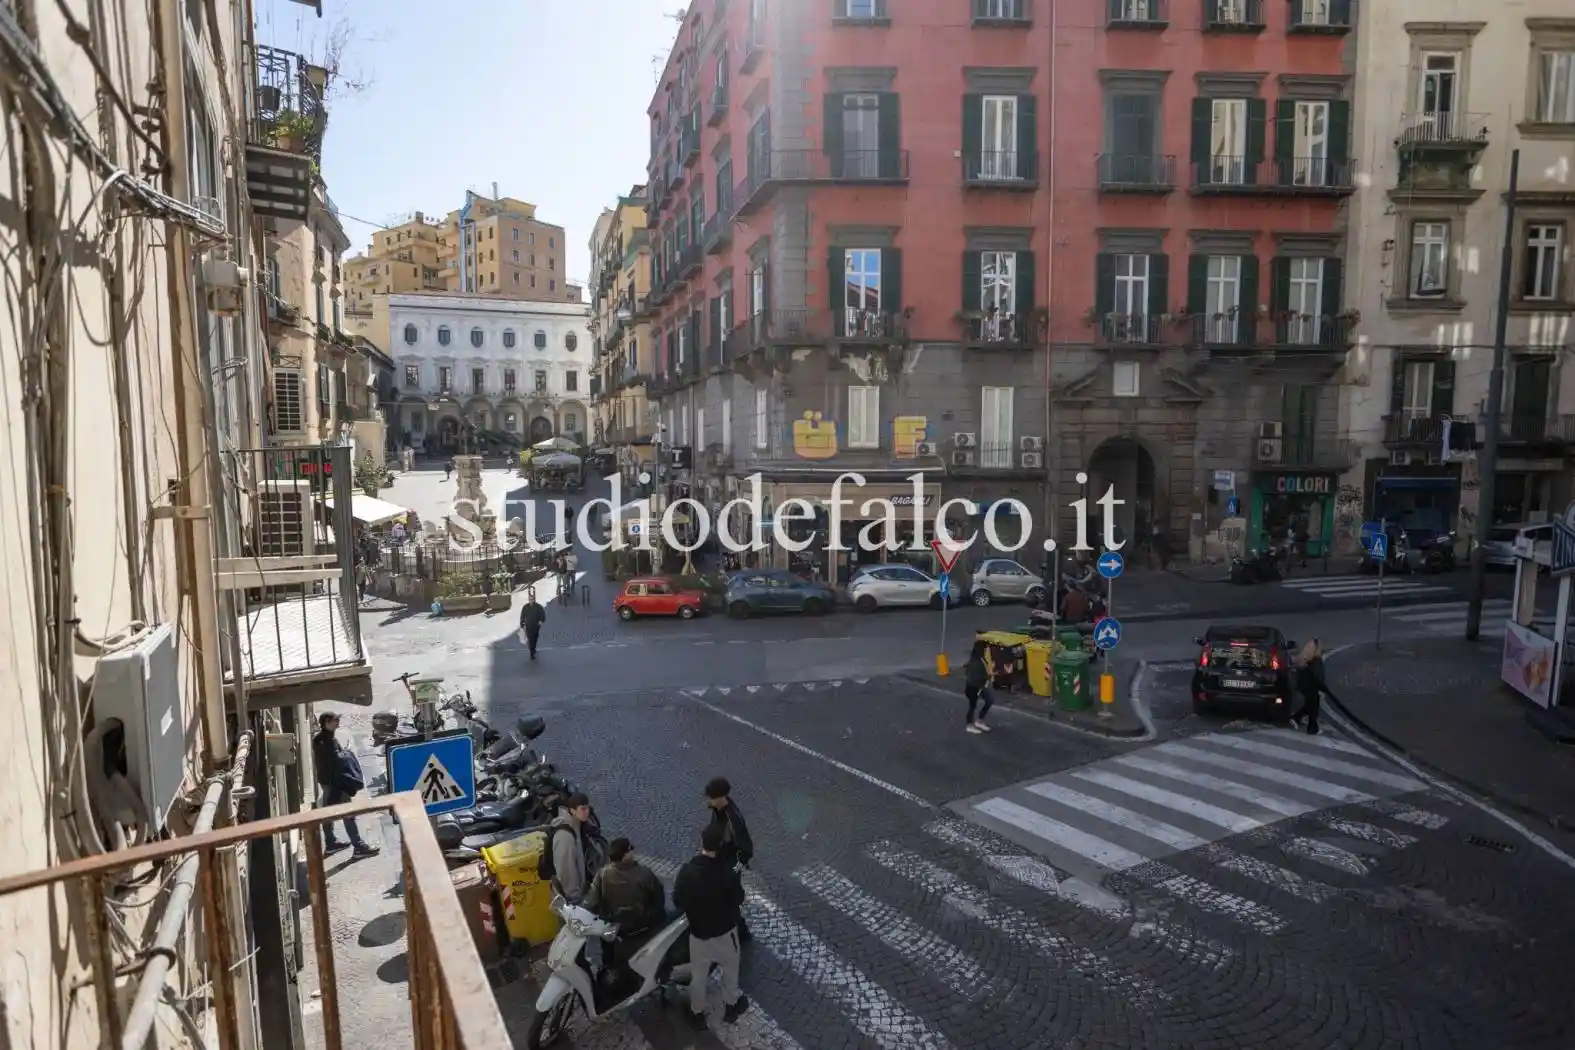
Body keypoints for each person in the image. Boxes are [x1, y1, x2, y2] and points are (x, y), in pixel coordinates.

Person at [672, 823, 751, 1030]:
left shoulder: (687, 871)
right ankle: (731, 1004)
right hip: (725, 932)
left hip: (698, 933)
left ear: (701, 843)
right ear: (721, 846)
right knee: (730, 968)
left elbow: (678, 900)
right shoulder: (727, 873)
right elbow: (738, 898)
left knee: (699, 974)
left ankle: (697, 1012)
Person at [311, 713, 378, 857]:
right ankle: (358, 846)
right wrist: (345, 753)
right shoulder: (326, 741)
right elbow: (334, 762)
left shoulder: (321, 739)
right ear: (326, 722)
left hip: (329, 781)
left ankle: (331, 843)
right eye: (335, 720)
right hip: (336, 783)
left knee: (328, 812)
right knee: (348, 814)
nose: (338, 722)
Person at [703, 777, 753, 942]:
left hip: (728, 866)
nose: (707, 800)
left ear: (721, 797)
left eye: (710, 797)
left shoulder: (734, 820)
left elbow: (746, 851)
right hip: (719, 862)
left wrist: (733, 872)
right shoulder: (718, 810)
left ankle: (742, 933)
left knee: (729, 901)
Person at [546, 793, 594, 904]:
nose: (587, 812)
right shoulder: (565, 836)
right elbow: (566, 870)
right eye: (583, 809)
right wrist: (574, 898)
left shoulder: (578, 825)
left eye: (587, 808)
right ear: (572, 811)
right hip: (570, 899)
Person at [1293, 639, 1325, 735]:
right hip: (1312, 687)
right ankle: (1312, 728)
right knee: (1313, 708)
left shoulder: (1304, 659)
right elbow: (1318, 677)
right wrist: (1323, 689)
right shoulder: (1316, 661)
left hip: (1304, 687)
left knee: (1310, 705)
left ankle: (1296, 718)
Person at [964, 640, 994, 734]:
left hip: (980, 686)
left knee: (989, 701)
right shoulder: (976, 661)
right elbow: (977, 677)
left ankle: (979, 721)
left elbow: (967, 669)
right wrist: (988, 676)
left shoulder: (979, 658)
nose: (986, 651)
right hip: (974, 687)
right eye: (985, 649)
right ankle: (969, 725)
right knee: (972, 706)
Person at [519, 588, 546, 659]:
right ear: (528, 600)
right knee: (530, 639)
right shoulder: (525, 607)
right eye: (530, 599)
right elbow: (522, 615)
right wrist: (522, 624)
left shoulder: (538, 607)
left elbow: (542, 614)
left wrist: (541, 621)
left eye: (532, 599)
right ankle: (532, 652)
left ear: (534, 599)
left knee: (535, 638)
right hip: (528, 626)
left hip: (536, 626)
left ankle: (533, 648)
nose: (531, 600)